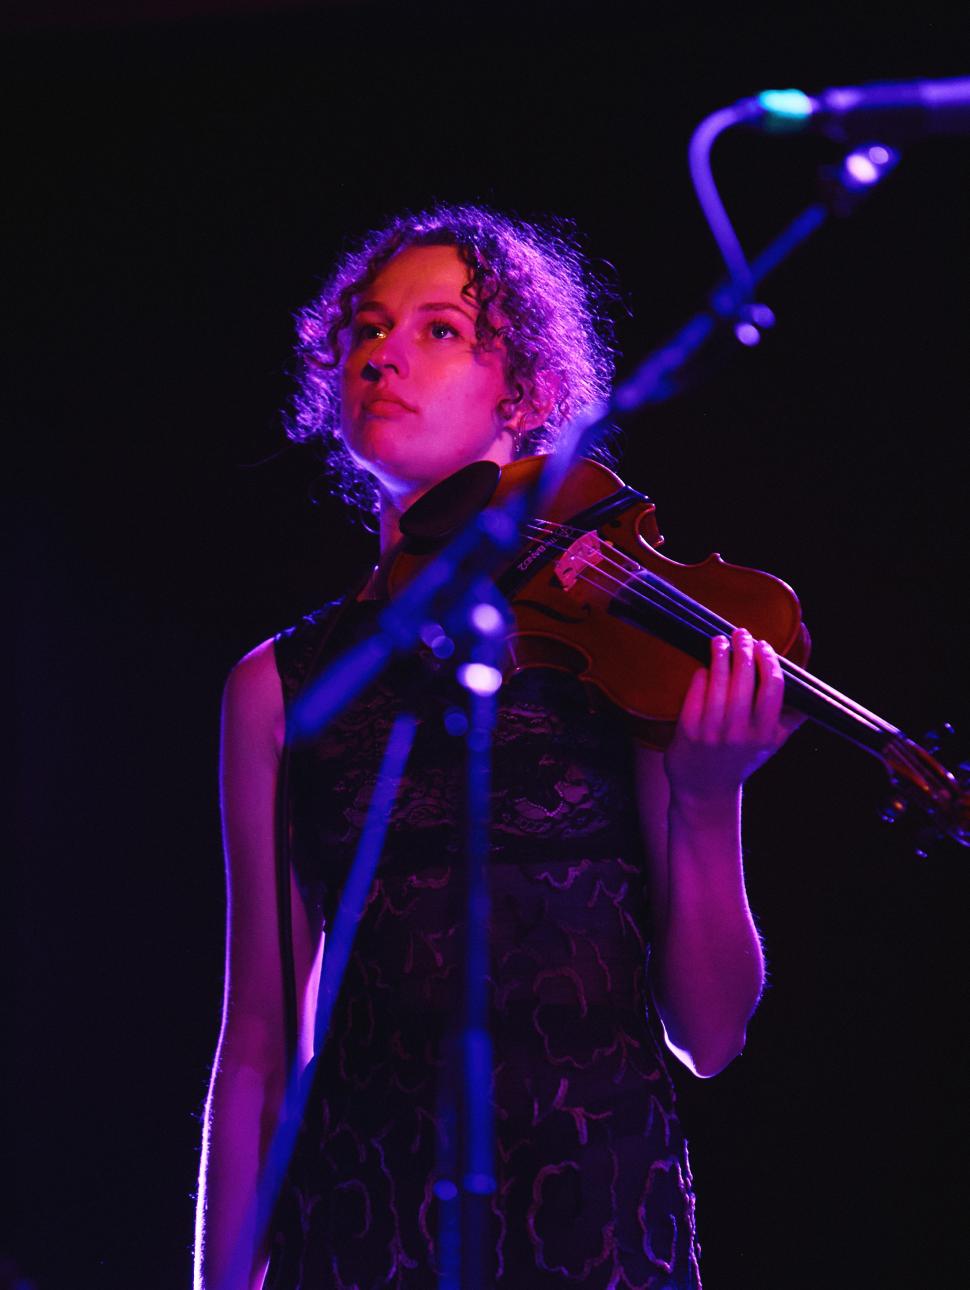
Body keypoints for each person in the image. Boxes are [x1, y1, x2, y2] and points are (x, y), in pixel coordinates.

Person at [194, 204, 797, 1290]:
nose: (382, 353)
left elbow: (708, 1035)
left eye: (438, 330)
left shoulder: (621, 644)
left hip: (602, 1213)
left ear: (525, 393)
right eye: (366, 331)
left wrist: (709, 802)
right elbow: (255, 1050)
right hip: (362, 1217)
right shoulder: (274, 687)